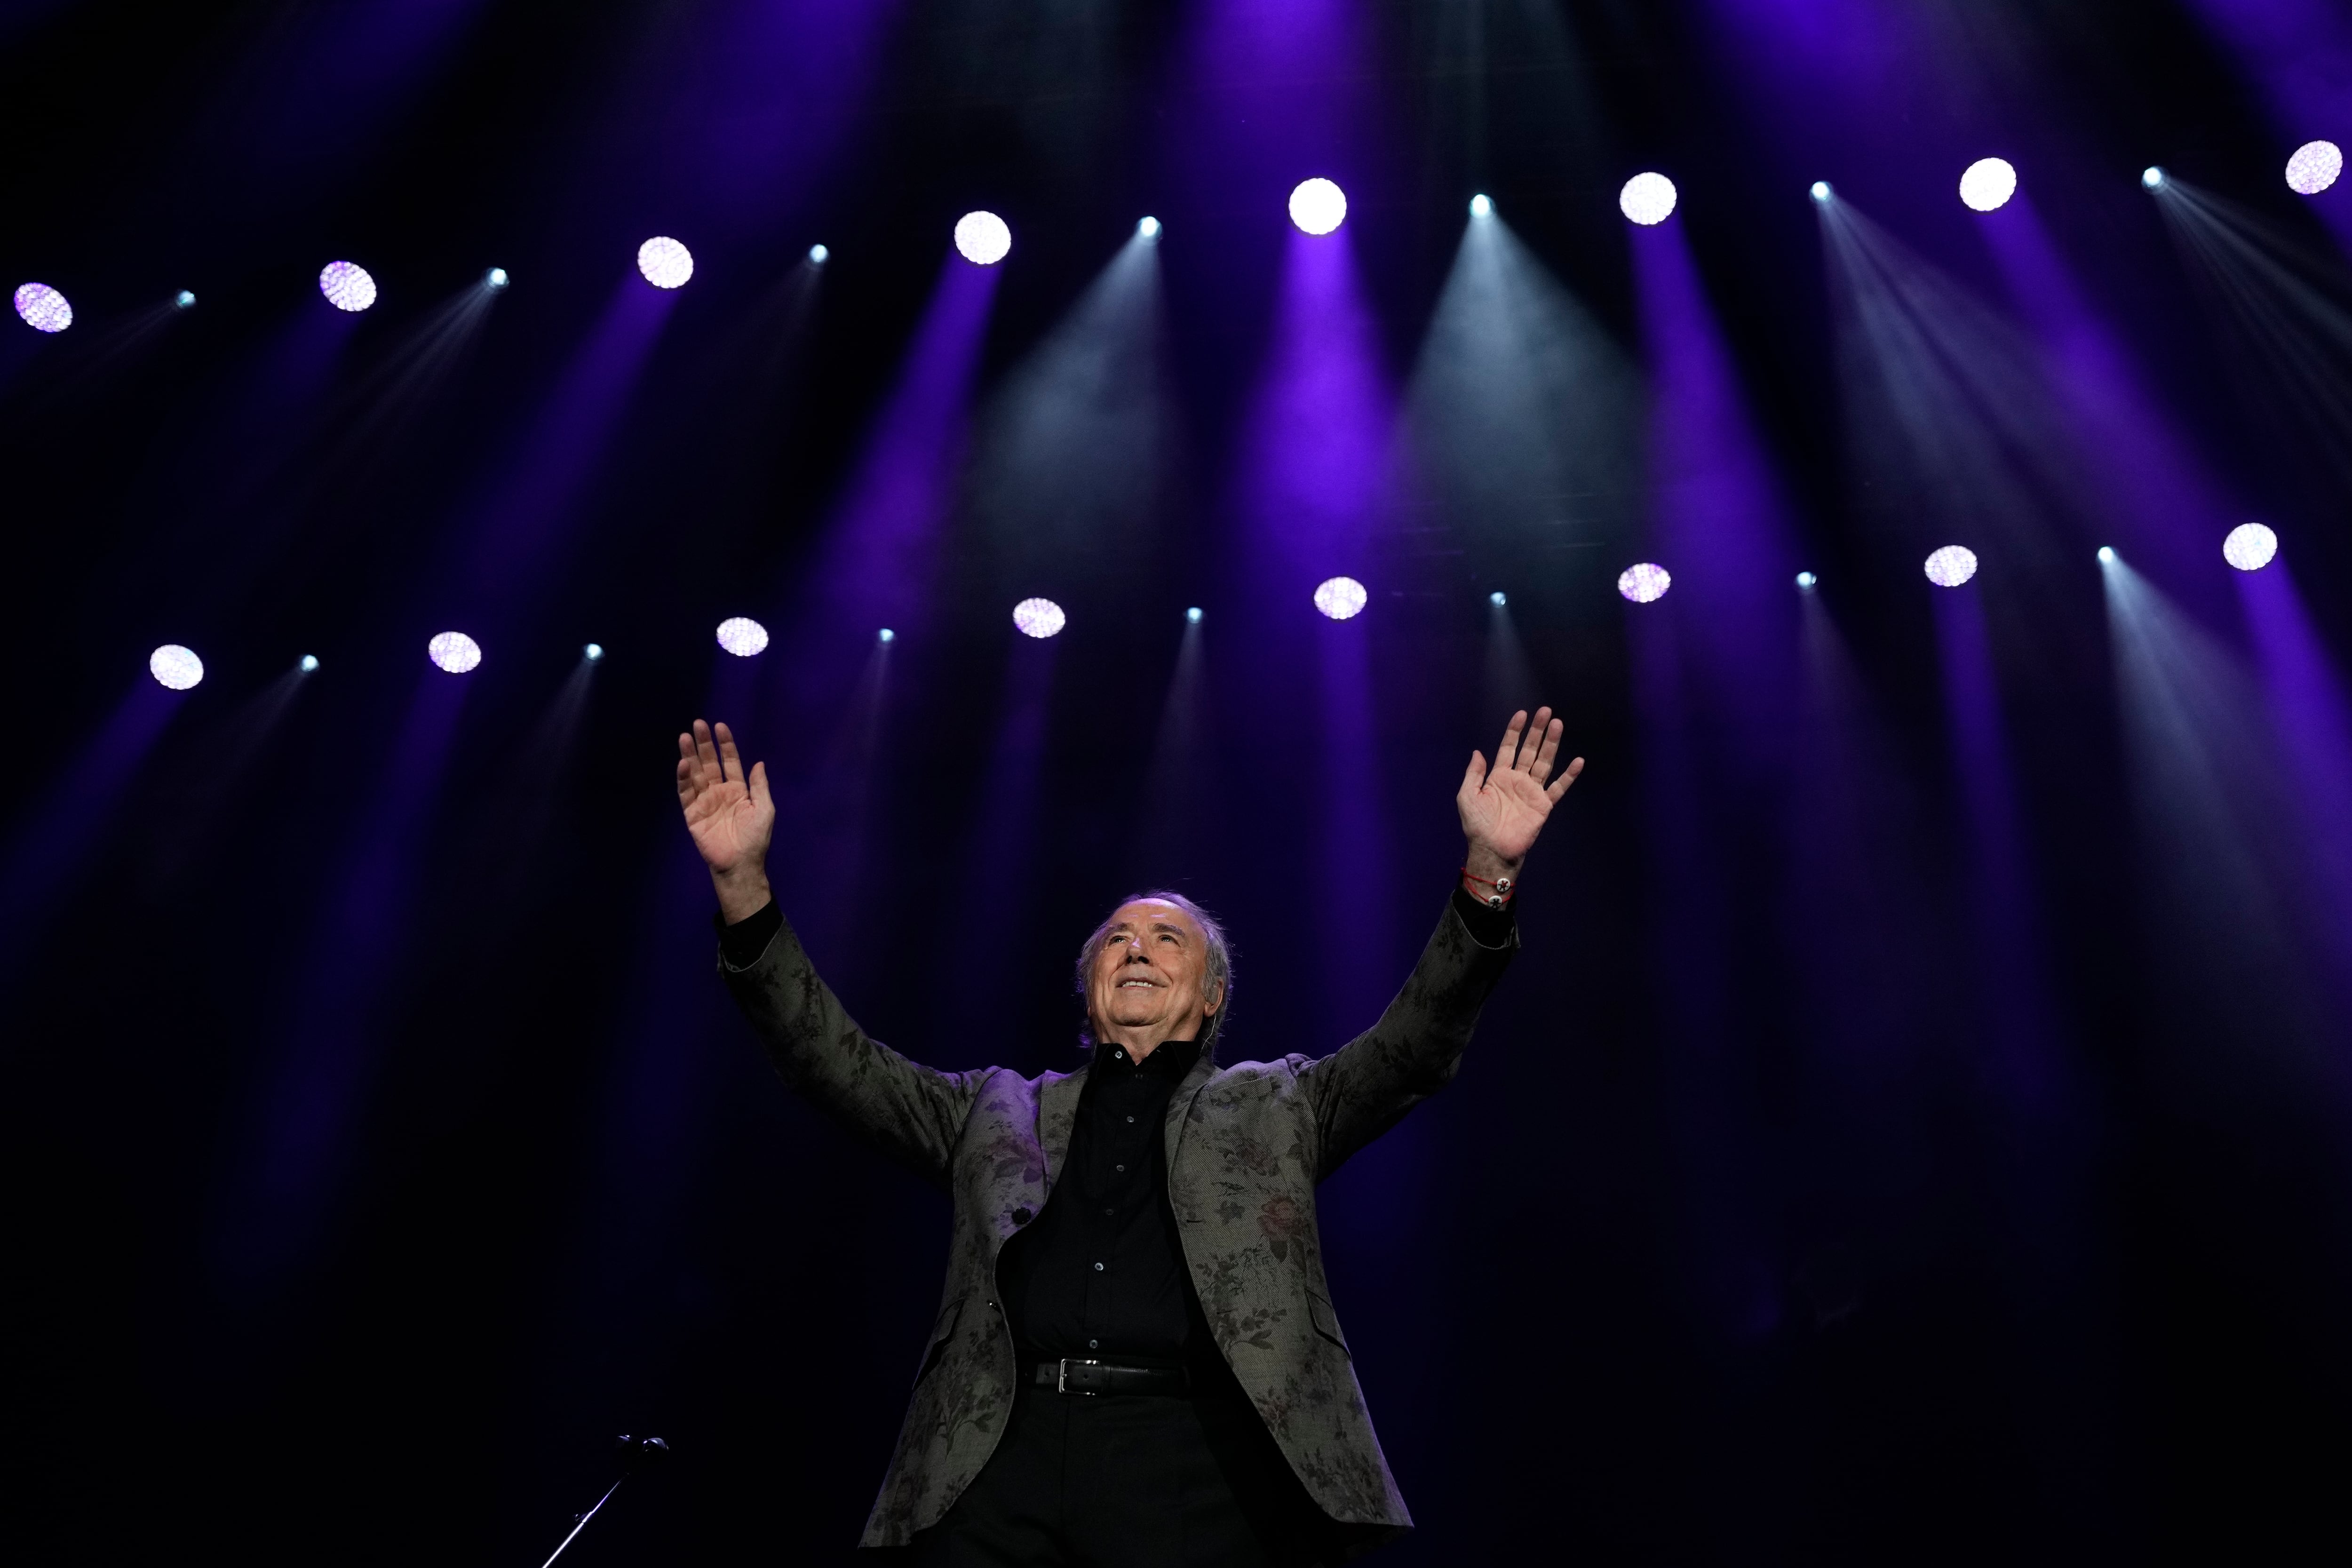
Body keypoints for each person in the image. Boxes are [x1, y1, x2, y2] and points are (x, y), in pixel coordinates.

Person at [676, 708, 1583, 1565]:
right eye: (1117, 940)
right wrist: (743, 888)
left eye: (1166, 939)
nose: (1139, 949)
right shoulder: (994, 1107)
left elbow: (1417, 1044)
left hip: (1194, 1467)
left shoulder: (1282, 1101)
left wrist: (1486, 871)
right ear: (1091, 987)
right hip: (1000, 1458)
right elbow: (836, 1065)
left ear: (1213, 993)